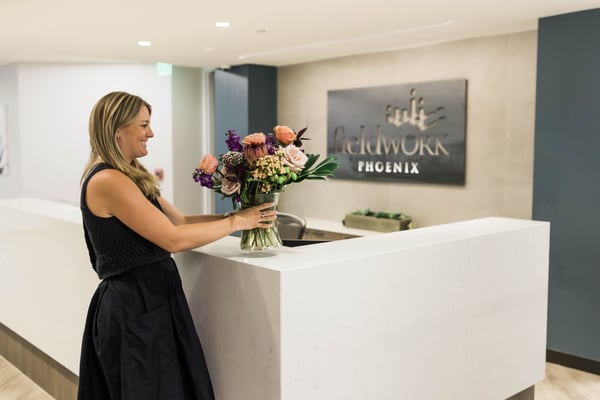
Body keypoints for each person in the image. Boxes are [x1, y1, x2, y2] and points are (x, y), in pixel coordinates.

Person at [77, 91, 276, 399]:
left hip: (153, 299)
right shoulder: (108, 180)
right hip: (133, 306)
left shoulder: (129, 175)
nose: (151, 133)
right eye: (143, 125)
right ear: (118, 130)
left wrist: (235, 214)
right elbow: (172, 238)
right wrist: (237, 224)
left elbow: (180, 221)